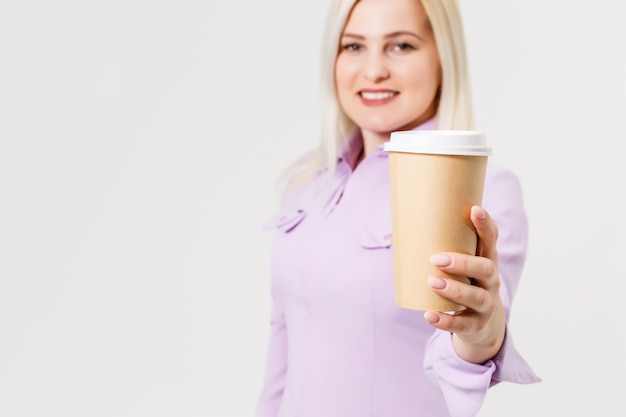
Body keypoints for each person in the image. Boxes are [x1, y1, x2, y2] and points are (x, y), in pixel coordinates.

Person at [255, 0, 540, 416]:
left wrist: (481, 337)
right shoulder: (308, 185)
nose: (373, 71)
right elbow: (282, 347)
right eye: (353, 46)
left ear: (443, 56)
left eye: (401, 46)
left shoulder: (484, 189)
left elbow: (461, 345)